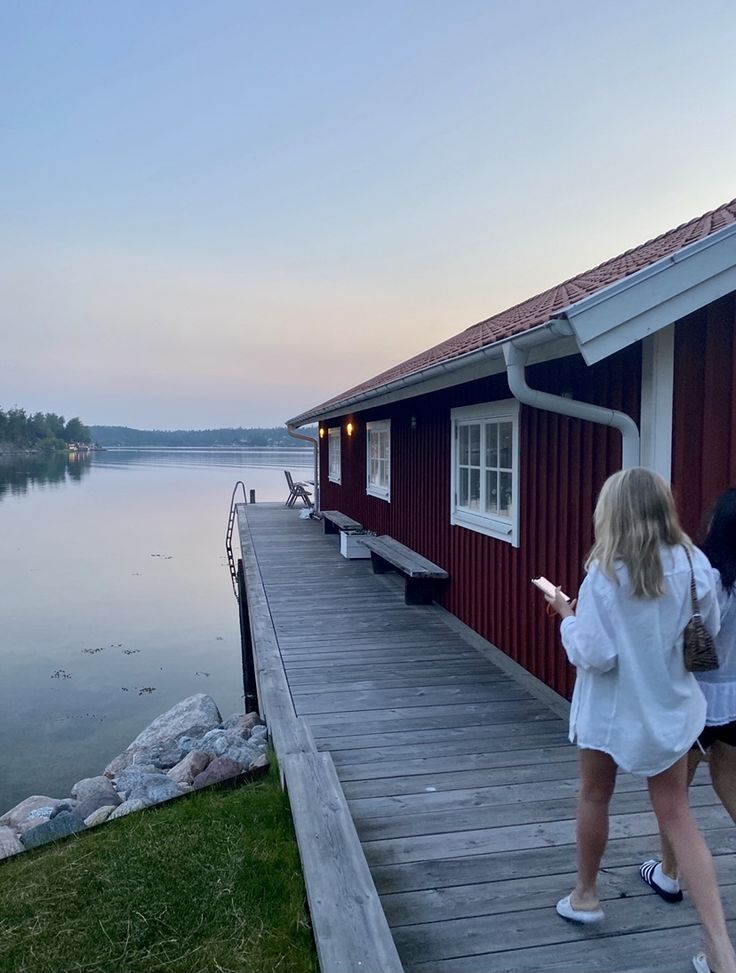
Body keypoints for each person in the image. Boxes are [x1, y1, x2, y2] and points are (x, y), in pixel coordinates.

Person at [544, 468, 736, 973]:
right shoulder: (696, 564)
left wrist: (566, 614)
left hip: (610, 712)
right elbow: (708, 630)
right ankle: (719, 948)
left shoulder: (607, 572)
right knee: (678, 815)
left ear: (613, 512)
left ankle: (586, 896)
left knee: (594, 795)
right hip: (670, 710)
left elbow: (596, 653)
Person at [640, 488, 736, 910]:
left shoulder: (709, 579)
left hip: (698, 695)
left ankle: (669, 873)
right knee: (731, 782)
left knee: (675, 791)